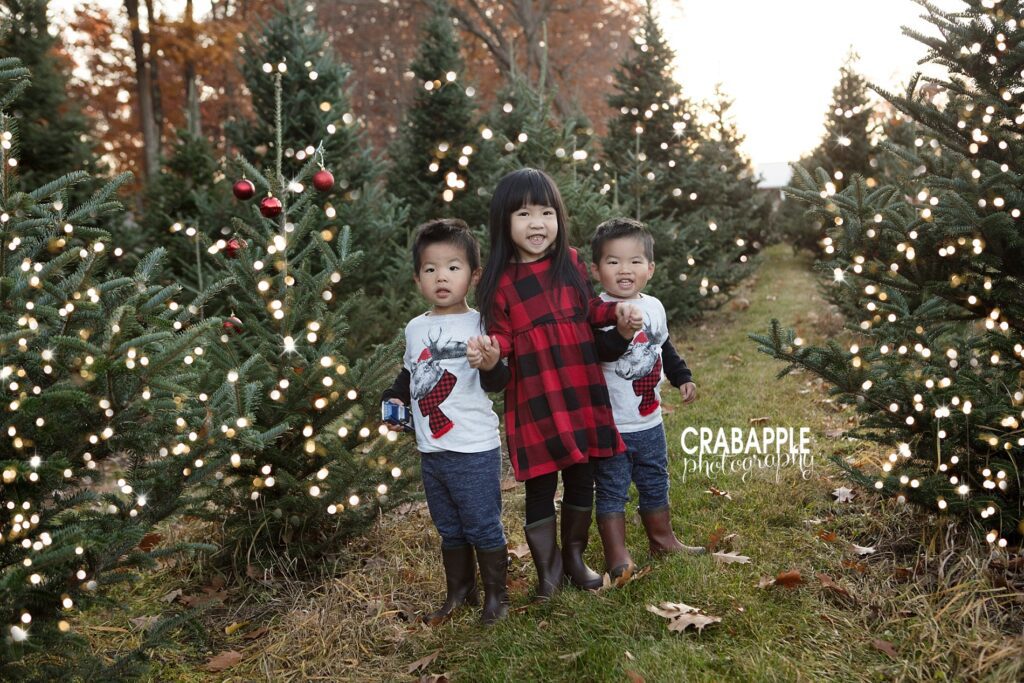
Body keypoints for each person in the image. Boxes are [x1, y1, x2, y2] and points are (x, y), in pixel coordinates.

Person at [470, 168, 641, 599]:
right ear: (504, 222)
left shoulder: (571, 261)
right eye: (524, 213)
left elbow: (588, 311)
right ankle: (548, 571)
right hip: (537, 397)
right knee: (542, 485)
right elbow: (503, 342)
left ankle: (574, 557)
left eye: (546, 212)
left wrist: (617, 317)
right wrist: (492, 356)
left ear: (558, 218)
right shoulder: (500, 281)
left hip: (579, 388)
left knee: (583, 476)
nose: (537, 223)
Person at [381, 218, 510, 625]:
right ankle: (460, 591)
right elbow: (409, 375)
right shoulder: (417, 328)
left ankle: (496, 597)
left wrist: (490, 363)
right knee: (449, 527)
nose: (441, 277)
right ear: (418, 278)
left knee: (482, 524)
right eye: (431, 269)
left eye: (453, 267)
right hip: (431, 450)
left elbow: (497, 381)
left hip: (472, 447)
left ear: (473, 276)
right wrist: (393, 399)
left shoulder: (481, 323)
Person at [588, 217, 705, 585]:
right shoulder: (597, 312)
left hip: (649, 420)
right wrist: (622, 332)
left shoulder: (653, 306)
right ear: (596, 269)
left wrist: (682, 376)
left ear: (650, 269)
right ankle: (617, 553)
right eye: (613, 262)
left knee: (655, 478)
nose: (625, 270)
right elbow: (601, 353)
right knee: (612, 487)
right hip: (612, 424)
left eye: (635, 261)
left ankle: (662, 539)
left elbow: (663, 347)